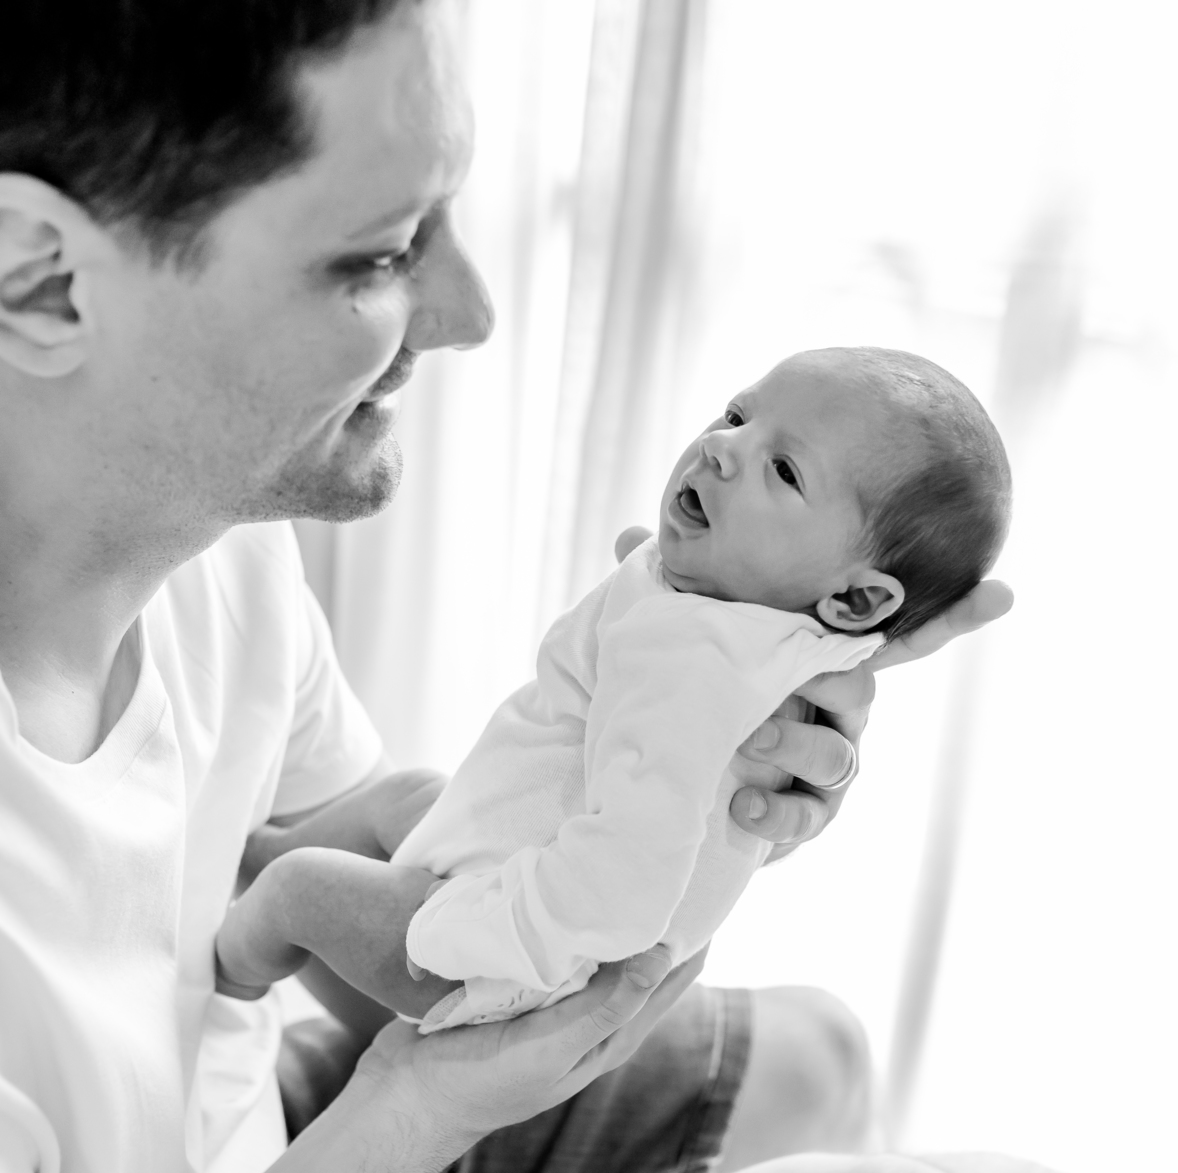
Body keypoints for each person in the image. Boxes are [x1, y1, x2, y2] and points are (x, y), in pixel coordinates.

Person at [1, 0, 1178, 1173]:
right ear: (40, 273)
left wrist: (701, 744)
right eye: (383, 251)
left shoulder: (202, 538)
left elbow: (292, 845)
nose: (471, 310)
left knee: (808, 1055)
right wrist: (418, 1107)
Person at [212, 346, 1010, 1032]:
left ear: (859, 600)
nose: (722, 450)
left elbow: (625, 882)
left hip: (516, 954)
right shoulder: (763, 626)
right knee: (408, 794)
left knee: (300, 890)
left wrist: (482, 934)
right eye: (737, 416)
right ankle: (254, 851)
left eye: (785, 469)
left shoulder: (694, 664)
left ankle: (229, 962)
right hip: (517, 877)